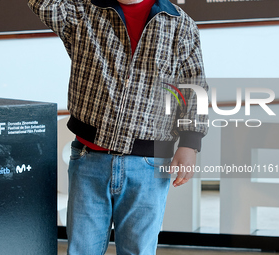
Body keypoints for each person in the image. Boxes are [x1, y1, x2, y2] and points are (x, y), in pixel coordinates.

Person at [28, 0, 208, 254]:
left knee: (138, 249)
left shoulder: (180, 24)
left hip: (149, 165)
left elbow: (194, 88)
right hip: (89, 161)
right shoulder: (83, 12)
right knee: (83, 248)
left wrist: (190, 143)